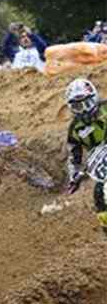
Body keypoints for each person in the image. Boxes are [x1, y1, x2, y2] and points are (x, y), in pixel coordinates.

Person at [64, 78, 107, 237]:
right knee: (99, 194)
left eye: (85, 104)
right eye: (76, 106)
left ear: (94, 98)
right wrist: (74, 175)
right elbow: (73, 154)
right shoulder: (75, 128)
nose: (82, 110)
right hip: (103, 165)